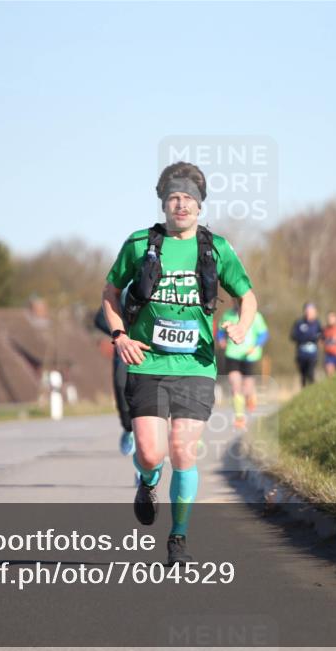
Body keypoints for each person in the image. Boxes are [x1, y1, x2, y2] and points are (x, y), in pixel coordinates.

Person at [101, 161, 257, 566]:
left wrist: (242, 324)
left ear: (200, 206)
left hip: (196, 364)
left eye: (188, 197)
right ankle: (147, 480)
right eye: (174, 197)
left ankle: (179, 538)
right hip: (148, 362)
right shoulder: (139, 244)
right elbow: (110, 291)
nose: (181, 203)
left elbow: (247, 295)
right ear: (163, 204)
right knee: (152, 454)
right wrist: (120, 335)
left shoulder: (216, 248)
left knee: (184, 451)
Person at [93, 289, 135, 457]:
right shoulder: (123, 291)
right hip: (123, 353)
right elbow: (99, 319)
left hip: (150, 355)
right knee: (121, 390)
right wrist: (120, 333)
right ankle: (128, 428)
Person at [216, 299, 269, 430]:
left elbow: (264, 334)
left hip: (249, 355)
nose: (237, 304)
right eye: (235, 301)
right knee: (235, 384)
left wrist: (256, 346)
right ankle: (239, 417)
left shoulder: (255, 316)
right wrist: (221, 339)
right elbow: (220, 332)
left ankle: (251, 396)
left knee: (247, 387)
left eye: (240, 302)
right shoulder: (228, 315)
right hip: (232, 354)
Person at [290, 302, 323, 387]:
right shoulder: (299, 323)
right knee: (303, 375)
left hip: (313, 354)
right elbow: (293, 336)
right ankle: (304, 391)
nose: (309, 313)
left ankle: (313, 389)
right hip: (301, 354)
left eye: (311, 311)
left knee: (310, 373)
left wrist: (317, 339)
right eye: (307, 311)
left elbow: (322, 336)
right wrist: (305, 338)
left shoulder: (317, 324)